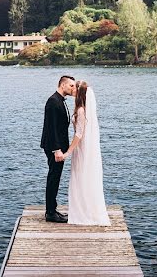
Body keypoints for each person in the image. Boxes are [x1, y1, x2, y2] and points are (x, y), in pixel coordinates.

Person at [60, 80, 111, 225]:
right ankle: (85, 208)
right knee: (82, 176)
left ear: (79, 93)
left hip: (81, 149)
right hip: (82, 149)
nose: (72, 90)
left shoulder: (82, 111)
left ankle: (84, 212)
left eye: (74, 88)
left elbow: (79, 134)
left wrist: (68, 151)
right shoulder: (83, 109)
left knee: (81, 177)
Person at [40, 75, 76, 223]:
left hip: (59, 146)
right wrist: (57, 150)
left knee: (55, 177)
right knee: (53, 178)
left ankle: (52, 209)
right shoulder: (53, 101)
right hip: (54, 147)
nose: (73, 88)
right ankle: (50, 213)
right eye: (71, 86)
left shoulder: (59, 100)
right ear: (63, 85)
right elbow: (51, 128)